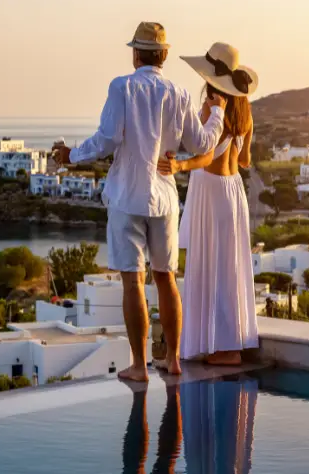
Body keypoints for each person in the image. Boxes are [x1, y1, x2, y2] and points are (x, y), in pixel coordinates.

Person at [54, 22, 226, 381]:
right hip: (164, 200)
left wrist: (71, 155)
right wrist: (218, 113)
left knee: (132, 283)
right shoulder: (179, 94)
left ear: (136, 54)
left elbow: (105, 140)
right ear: (164, 56)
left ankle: (138, 365)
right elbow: (202, 145)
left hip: (126, 197)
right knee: (166, 280)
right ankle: (174, 359)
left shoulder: (122, 87)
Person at [158, 42, 259, 365]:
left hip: (211, 193)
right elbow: (244, 161)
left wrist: (178, 166)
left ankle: (223, 349)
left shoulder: (209, 111)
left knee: (210, 268)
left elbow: (203, 156)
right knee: (229, 269)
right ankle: (230, 344)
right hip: (233, 192)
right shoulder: (245, 113)